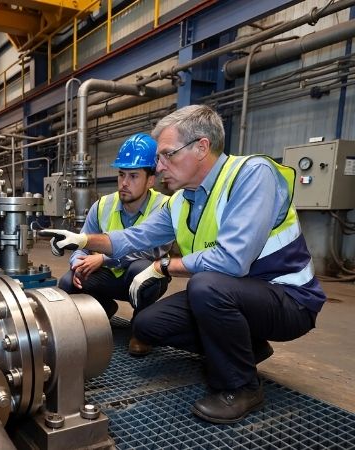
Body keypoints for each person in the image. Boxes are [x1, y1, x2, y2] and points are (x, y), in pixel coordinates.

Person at [40, 105, 324, 425]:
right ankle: (247, 347)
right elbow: (135, 237)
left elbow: (232, 261)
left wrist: (163, 266)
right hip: (234, 295)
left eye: (167, 155)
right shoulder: (182, 200)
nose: (159, 166)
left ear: (201, 147)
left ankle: (241, 387)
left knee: (205, 286)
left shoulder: (252, 175)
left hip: (289, 299)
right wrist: (82, 240)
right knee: (147, 325)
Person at [56, 133, 171, 356]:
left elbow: (151, 250)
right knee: (69, 281)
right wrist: (77, 262)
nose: (124, 183)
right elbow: (82, 242)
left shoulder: (164, 207)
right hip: (109, 277)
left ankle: (141, 330)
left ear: (150, 180)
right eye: (121, 174)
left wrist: (103, 258)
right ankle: (101, 308)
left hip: (139, 277)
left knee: (143, 269)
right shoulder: (102, 205)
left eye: (133, 176)